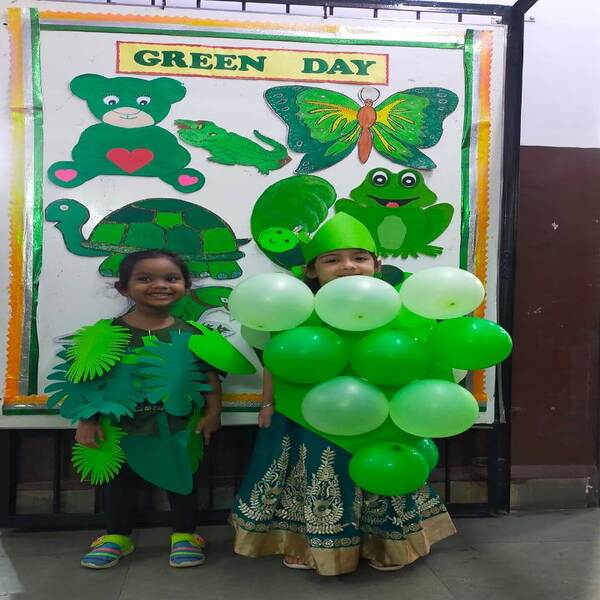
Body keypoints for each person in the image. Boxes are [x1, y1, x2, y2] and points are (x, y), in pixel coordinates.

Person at [230, 213, 456, 575]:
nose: (348, 266)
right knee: (317, 473)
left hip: (383, 413)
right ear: (312, 270)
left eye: (359, 257)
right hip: (310, 414)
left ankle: (387, 543)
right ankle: (306, 544)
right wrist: (267, 402)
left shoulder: (402, 309)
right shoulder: (297, 309)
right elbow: (275, 360)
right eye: (332, 260)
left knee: (384, 470)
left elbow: (423, 358)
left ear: (376, 265)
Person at [70, 250, 222, 569]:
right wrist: (87, 420)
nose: (160, 285)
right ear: (123, 287)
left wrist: (213, 413)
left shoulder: (193, 334)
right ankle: (116, 536)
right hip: (119, 427)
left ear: (186, 287)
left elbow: (208, 376)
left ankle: (185, 534)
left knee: (182, 478)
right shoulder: (107, 333)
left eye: (171, 278)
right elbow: (90, 380)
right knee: (118, 483)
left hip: (177, 424)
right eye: (144, 278)